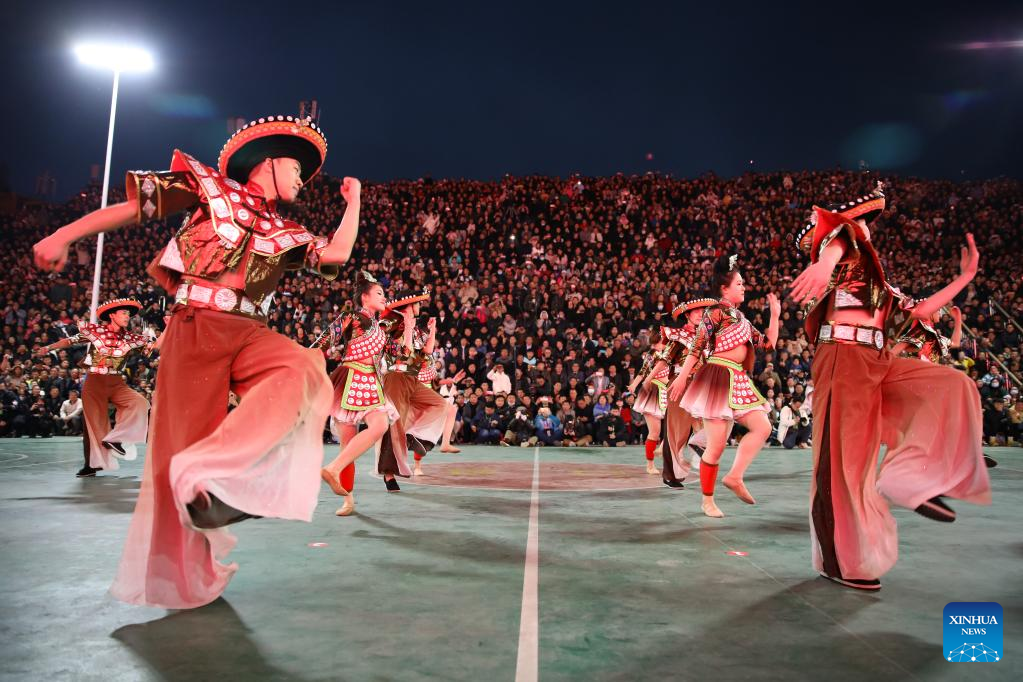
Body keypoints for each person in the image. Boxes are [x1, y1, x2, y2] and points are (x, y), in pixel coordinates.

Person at [33, 114, 361, 608]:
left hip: (250, 330)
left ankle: (213, 470)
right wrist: (63, 233)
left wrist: (355, 202)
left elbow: (336, 255)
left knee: (305, 368)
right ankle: (187, 568)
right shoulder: (210, 188)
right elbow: (131, 208)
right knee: (174, 454)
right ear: (267, 162)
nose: (302, 178)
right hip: (194, 327)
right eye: (296, 166)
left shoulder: (286, 230)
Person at [789, 183, 990, 591]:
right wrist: (825, 264)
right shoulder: (845, 248)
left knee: (955, 385)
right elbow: (837, 237)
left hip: (877, 362)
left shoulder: (878, 284)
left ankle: (907, 482)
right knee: (841, 465)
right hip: (843, 358)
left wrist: (963, 278)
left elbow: (919, 311)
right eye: (864, 220)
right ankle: (837, 562)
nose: (867, 228)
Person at [669, 256, 781, 518]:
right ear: (724, 288)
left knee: (763, 426)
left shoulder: (741, 318)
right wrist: (683, 376)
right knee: (717, 445)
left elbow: (767, 345)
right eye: (739, 283)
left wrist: (774, 315)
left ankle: (735, 477)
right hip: (718, 377)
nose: (744, 287)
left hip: (738, 379)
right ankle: (707, 501)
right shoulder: (715, 312)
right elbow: (697, 345)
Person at [34, 298, 152, 476]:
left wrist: (168, 330)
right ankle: (91, 465)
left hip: (117, 382)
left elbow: (154, 347)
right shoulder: (95, 331)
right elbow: (70, 341)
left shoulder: (131, 338)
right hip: (95, 382)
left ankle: (116, 438)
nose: (128, 316)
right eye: (124, 313)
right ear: (112, 315)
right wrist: (49, 348)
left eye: (129, 313)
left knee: (140, 403)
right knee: (92, 425)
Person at [319, 271, 403, 515]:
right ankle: (348, 500)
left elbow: (405, 357)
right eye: (379, 293)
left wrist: (407, 327)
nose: (384, 297)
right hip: (349, 378)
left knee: (380, 425)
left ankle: (333, 468)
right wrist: (307, 358)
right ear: (365, 298)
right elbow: (328, 338)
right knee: (348, 445)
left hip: (371, 380)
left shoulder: (381, 329)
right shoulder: (353, 317)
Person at [655, 298, 716, 488]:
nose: (700, 314)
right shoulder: (678, 335)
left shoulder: (708, 338)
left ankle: (698, 445)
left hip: (703, 384)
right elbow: (665, 361)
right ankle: (671, 474)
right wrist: (646, 381)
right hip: (680, 383)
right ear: (687, 315)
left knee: (715, 419)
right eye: (695, 312)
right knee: (676, 430)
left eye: (702, 311)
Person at [628, 334, 667, 474]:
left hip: (668, 392)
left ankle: (664, 450)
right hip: (652, 392)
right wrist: (634, 385)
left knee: (675, 426)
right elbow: (642, 372)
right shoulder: (651, 355)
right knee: (655, 433)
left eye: (657, 343)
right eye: (654, 344)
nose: (655, 346)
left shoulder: (673, 351)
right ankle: (650, 465)